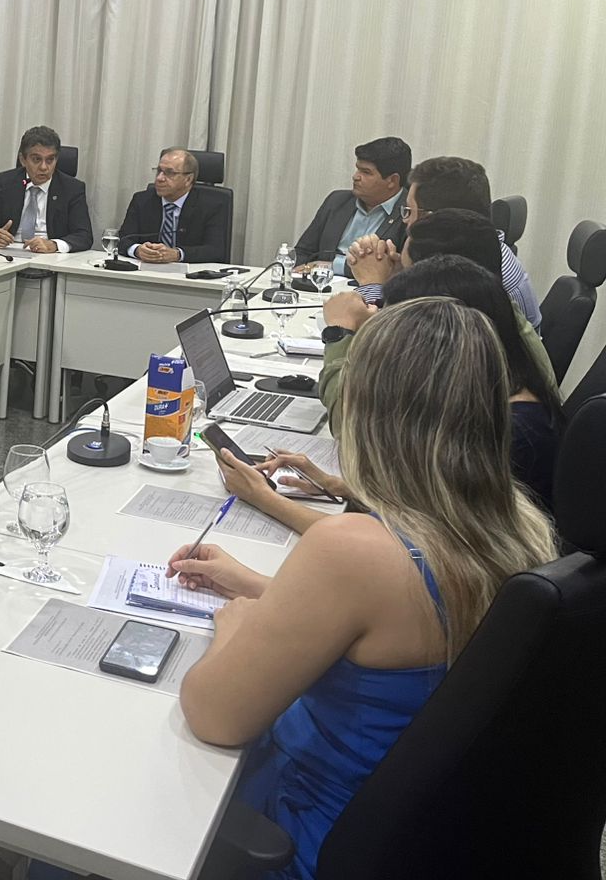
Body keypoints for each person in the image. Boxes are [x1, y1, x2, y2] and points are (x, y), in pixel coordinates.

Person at [167, 299, 554, 880]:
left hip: (307, 834)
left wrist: (235, 629)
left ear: (368, 412)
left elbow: (213, 716)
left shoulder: (354, 550)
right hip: (423, 841)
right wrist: (257, 586)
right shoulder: (519, 527)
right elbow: (394, 632)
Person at [225, 256, 563, 534]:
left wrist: (264, 498)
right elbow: (423, 504)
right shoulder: (490, 397)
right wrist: (336, 486)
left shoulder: (513, 431)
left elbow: (401, 544)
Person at [318, 209, 554, 410]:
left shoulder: (454, 346)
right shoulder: (493, 311)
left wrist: (340, 331)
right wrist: (393, 282)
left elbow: (356, 422)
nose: (405, 219)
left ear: (437, 275)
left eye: (408, 268)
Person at [346, 155, 541, 329]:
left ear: (433, 219)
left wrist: (372, 285)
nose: (405, 220)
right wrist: (402, 275)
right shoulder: (484, 251)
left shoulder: (471, 277)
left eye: (409, 211)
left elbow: (393, 343)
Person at [292, 137, 410, 276]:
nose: (355, 177)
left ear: (392, 180)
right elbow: (303, 252)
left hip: (368, 289)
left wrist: (330, 267)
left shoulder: (409, 214)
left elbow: (397, 271)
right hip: (318, 285)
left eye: (366, 172)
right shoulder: (337, 201)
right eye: (357, 169)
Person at [0, 126, 93, 253]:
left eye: (50, 160)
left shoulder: (72, 188)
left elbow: (84, 236)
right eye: (37, 159)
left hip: (50, 256)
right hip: (8, 252)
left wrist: (54, 245)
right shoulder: (6, 182)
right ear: (23, 159)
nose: (44, 167)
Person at [116, 147, 229, 263]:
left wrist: (178, 254)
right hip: (146, 269)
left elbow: (215, 251)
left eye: (169, 173)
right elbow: (122, 239)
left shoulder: (211, 206)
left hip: (190, 271)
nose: (159, 178)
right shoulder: (142, 200)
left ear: (188, 179)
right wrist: (137, 250)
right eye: (159, 171)